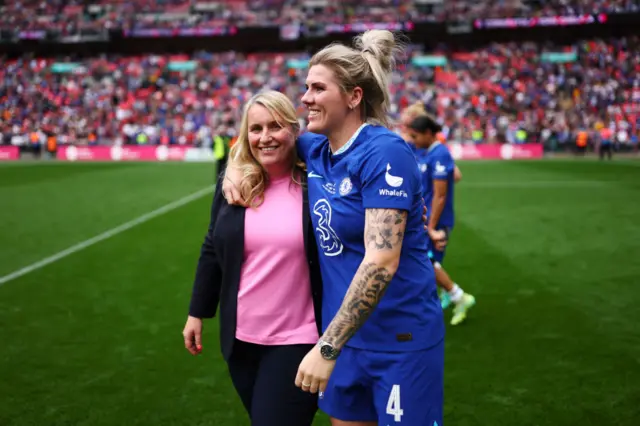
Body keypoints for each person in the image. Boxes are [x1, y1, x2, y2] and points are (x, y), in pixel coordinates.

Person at [223, 30, 445, 426]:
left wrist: (325, 348)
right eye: (306, 87)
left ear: (353, 97)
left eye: (317, 88)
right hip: (346, 345)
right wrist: (235, 171)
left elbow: (380, 262)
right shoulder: (316, 148)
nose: (304, 98)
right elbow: (260, 145)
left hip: (398, 341)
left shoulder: (384, 152)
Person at [182, 90, 323, 426]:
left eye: (275, 126)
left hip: (298, 340)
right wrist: (197, 312)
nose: (265, 137)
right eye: (256, 129)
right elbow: (212, 246)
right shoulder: (235, 184)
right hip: (241, 339)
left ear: (293, 129)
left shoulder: (317, 184)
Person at [406, 114, 476, 325]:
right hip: (426, 220)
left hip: (436, 222)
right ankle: (441, 297)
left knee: (427, 262)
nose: (413, 140)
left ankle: (458, 296)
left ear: (428, 134)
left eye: (415, 136)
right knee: (425, 262)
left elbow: (440, 195)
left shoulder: (440, 154)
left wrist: (432, 227)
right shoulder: (427, 151)